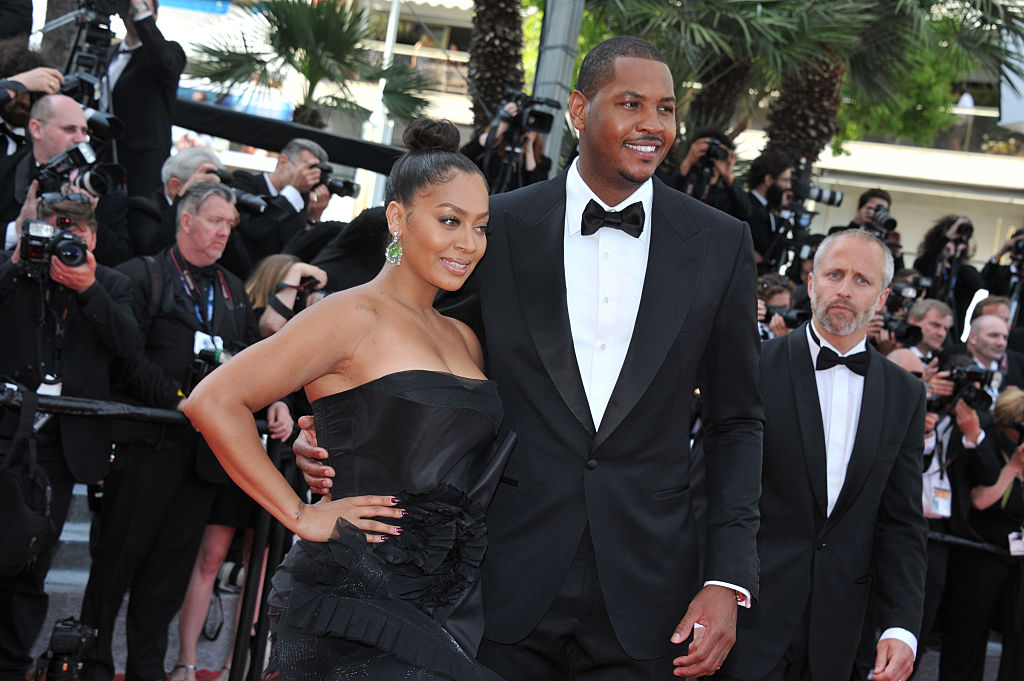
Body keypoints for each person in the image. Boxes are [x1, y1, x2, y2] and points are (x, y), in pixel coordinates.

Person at [299, 36, 763, 680]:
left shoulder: (720, 243)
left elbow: (736, 421)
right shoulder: (500, 228)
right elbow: (416, 351)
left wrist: (728, 578)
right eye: (631, 103)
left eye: (666, 108)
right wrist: (338, 435)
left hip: (651, 587)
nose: (653, 125)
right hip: (501, 575)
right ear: (579, 109)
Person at [184, 119, 504, 680]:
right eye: (450, 221)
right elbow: (213, 400)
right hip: (360, 592)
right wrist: (300, 513)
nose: (468, 243)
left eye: (480, 227)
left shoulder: (464, 337)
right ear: (398, 218)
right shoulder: (348, 315)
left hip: (452, 600)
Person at [80, 183, 289, 681]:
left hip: (200, 460)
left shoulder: (233, 289)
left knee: (168, 577)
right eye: (216, 221)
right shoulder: (144, 276)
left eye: (230, 225)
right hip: (144, 451)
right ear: (187, 220)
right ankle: (92, 664)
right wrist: (183, 402)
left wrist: (273, 396)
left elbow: (242, 359)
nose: (223, 232)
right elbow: (128, 359)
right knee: (115, 568)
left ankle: (147, 668)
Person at [716, 229, 927, 681]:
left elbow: (903, 523)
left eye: (862, 280)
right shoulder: (753, 365)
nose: (845, 290)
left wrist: (901, 625)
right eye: (835, 274)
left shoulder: (906, 394)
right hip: (748, 618)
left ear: (883, 298)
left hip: (845, 632)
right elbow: (709, 491)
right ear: (812, 283)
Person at [0, 192, 137, 681]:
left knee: (31, 560)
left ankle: (12, 665)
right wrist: (17, 265)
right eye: (56, 233)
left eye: (77, 235)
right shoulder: (19, 273)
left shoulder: (113, 284)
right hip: (5, 436)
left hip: (62, 451)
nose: (65, 245)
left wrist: (87, 288)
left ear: (94, 238)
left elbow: (128, 345)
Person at [939, 386, 1024, 681]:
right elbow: (981, 500)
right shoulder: (989, 446)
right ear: (1011, 423)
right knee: (967, 639)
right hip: (979, 558)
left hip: (1013, 563)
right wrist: (1014, 467)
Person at [102, 0, 185, 196]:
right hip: (105, 156)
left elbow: (164, 63)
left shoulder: (170, 52)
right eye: (130, 7)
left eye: (142, 7)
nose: (133, 13)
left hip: (142, 166)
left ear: (153, 16)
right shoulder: (111, 52)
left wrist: (141, 13)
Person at [666, 131, 748, 221]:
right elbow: (664, 198)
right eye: (705, 150)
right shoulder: (686, 183)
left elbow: (746, 214)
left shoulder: (725, 196)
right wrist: (688, 162)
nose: (710, 156)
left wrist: (728, 177)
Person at [746, 154, 793, 273]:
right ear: (768, 180)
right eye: (785, 180)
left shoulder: (771, 210)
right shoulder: (747, 206)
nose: (788, 186)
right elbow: (767, 250)